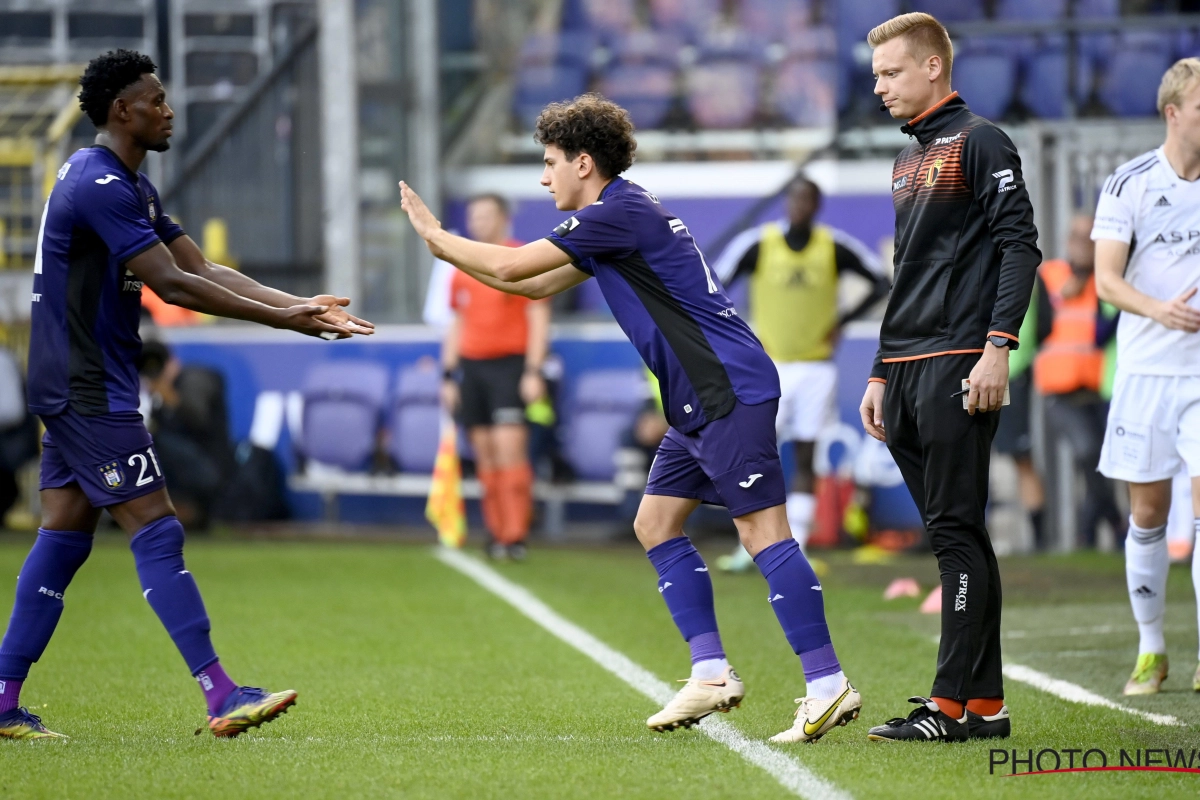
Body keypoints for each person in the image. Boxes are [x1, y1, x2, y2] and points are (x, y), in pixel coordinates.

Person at [399, 94, 862, 743]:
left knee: (762, 533)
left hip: (725, 388)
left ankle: (826, 684)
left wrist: (434, 239)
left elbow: (508, 265)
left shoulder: (617, 212)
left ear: (583, 163)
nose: (542, 176)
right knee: (655, 522)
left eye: (549, 162)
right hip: (698, 398)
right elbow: (531, 285)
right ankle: (709, 672)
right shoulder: (615, 217)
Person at [0, 50, 373, 740]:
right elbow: (172, 286)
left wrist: (299, 306)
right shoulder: (101, 184)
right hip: (87, 385)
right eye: (156, 100)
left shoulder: (128, 186)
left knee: (63, 536)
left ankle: (1, 700)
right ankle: (221, 692)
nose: (169, 111)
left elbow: (201, 266)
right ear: (122, 110)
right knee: (157, 525)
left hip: (74, 380)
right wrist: (285, 319)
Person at [858, 13, 1041, 742]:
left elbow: (1019, 245)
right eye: (876, 76)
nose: (879, 88)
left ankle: (945, 706)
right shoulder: (908, 160)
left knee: (955, 534)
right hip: (903, 369)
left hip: (955, 364)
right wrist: (878, 371)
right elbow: (907, 274)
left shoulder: (982, 140)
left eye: (892, 73)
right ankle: (984, 706)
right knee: (952, 534)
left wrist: (997, 347)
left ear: (934, 67)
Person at [712, 174, 889, 572]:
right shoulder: (758, 244)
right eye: (794, 200)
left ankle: (799, 546)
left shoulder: (834, 247)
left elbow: (882, 282)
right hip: (767, 366)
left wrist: (844, 320)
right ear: (786, 204)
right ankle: (751, 544)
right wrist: (736, 335)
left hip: (816, 368)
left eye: (807, 200)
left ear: (816, 206)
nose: (800, 207)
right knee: (752, 456)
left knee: (808, 455)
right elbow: (715, 285)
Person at [1091, 58, 1200, 697]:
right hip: (1146, 373)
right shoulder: (1130, 182)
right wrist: (1158, 308)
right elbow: (1106, 281)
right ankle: (1151, 649)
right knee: (1149, 514)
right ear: (1174, 112)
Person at [440, 193, 550, 560]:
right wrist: (448, 374)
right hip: (472, 369)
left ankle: (516, 535)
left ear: (503, 218)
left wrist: (533, 370)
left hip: (510, 366)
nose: (478, 223)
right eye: (473, 217)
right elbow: (456, 322)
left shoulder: (521, 259)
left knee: (510, 451)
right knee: (485, 456)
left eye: (485, 216)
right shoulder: (461, 268)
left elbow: (538, 317)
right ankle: (496, 533)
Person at [1034, 214, 1125, 549]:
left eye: (1090, 237)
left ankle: (1088, 532)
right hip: (1059, 391)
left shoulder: (1106, 280)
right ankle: (1115, 522)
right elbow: (1039, 315)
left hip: (1098, 389)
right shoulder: (1051, 274)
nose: (1082, 243)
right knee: (1089, 453)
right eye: (1077, 235)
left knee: (1103, 461)